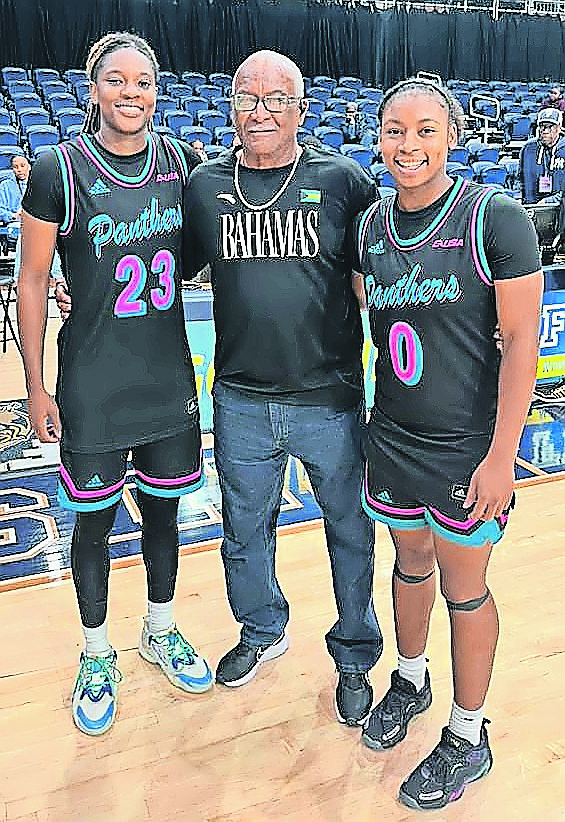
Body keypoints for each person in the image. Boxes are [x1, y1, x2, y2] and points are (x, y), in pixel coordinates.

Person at [17, 31, 213, 738]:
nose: (132, 94)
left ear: (157, 92)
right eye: (118, 81)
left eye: (144, 83)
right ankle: (97, 653)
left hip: (166, 380)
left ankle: (158, 631)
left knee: (165, 516)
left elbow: (201, 258)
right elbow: (32, 279)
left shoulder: (182, 163)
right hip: (93, 384)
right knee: (94, 523)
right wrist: (37, 387)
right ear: (94, 88)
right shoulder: (57, 168)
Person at [355, 78, 542, 809]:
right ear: (377, 137)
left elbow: (522, 341)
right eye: (395, 131)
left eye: (425, 130)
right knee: (408, 563)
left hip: (466, 449)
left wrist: (502, 456)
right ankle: (408, 679)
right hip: (394, 437)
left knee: (465, 590)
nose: (408, 146)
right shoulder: (370, 226)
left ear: (451, 137)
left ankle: (468, 733)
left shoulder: (492, 218)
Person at [183, 50, 383, 724]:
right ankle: (262, 629)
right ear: (229, 107)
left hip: (328, 398)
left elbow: (382, 274)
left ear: (302, 109)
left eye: (276, 98)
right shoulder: (205, 186)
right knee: (243, 532)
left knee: (349, 532)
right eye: (247, 96)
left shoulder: (343, 181)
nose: (261, 109)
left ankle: (354, 654)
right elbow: (158, 260)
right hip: (238, 398)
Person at [519, 108, 565, 204]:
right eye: (542, 126)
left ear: (559, 128)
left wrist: (551, 201)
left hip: (561, 210)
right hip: (532, 208)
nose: (545, 131)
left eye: (550, 127)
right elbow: (520, 180)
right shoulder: (528, 149)